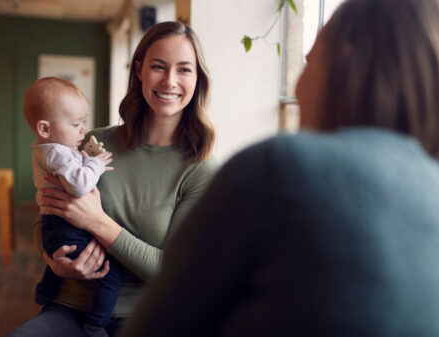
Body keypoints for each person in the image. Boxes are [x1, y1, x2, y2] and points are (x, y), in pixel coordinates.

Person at [117, 0, 439, 336]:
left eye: (309, 60)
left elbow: (157, 325)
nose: (297, 87)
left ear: (344, 62)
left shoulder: (275, 169)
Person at [11, 21, 216, 337]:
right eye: (158, 67)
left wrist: (97, 223)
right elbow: (47, 213)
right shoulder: (93, 143)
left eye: (184, 70)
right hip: (70, 307)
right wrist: (51, 259)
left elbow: (177, 271)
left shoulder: (199, 168)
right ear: (139, 71)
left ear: (197, 78)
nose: (170, 80)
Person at [22, 77, 118, 337]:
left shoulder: (50, 149)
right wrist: (95, 164)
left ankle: (45, 290)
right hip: (67, 226)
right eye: (75, 124)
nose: (82, 130)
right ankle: (96, 324)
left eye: (83, 122)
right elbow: (78, 185)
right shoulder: (57, 153)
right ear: (45, 129)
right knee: (111, 276)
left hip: (54, 226)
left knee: (60, 254)